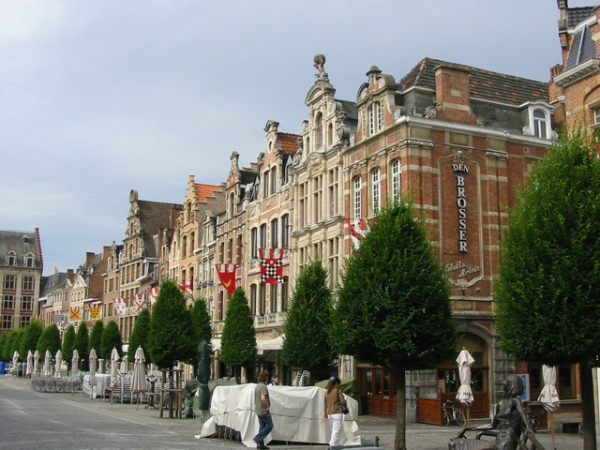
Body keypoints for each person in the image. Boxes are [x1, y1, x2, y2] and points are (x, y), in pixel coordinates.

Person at [453, 374, 535, 450]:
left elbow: (522, 412)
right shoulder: (500, 404)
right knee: (455, 444)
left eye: (507, 381)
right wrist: (467, 428)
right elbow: (491, 425)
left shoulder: (516, 401)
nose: (503, 383)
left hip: (507, 442)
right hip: (498, 440)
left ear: (512, 385)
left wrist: (528, 427)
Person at [323, 376, 347, 449]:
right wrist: (344, 404)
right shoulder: (337, 391)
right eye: (338, 384)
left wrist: (325, 414)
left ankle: (333, 443)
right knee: (336, 430)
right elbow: (342, 401)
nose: (339, 385)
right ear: (336, 383)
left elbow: (325, 405)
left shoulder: (326, 392)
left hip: (329, 413)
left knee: (333, 430)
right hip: (337, 412)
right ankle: (332, 446)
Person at [254, 370, 273, 450]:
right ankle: (258, 438)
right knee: (270, 425)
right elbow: (263, 397)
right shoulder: (263, 387)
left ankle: (260, 445)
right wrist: (267, 406)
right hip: (263, 410)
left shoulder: (257, 386)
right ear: (265, 377)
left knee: (262, 426)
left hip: (258, 409)